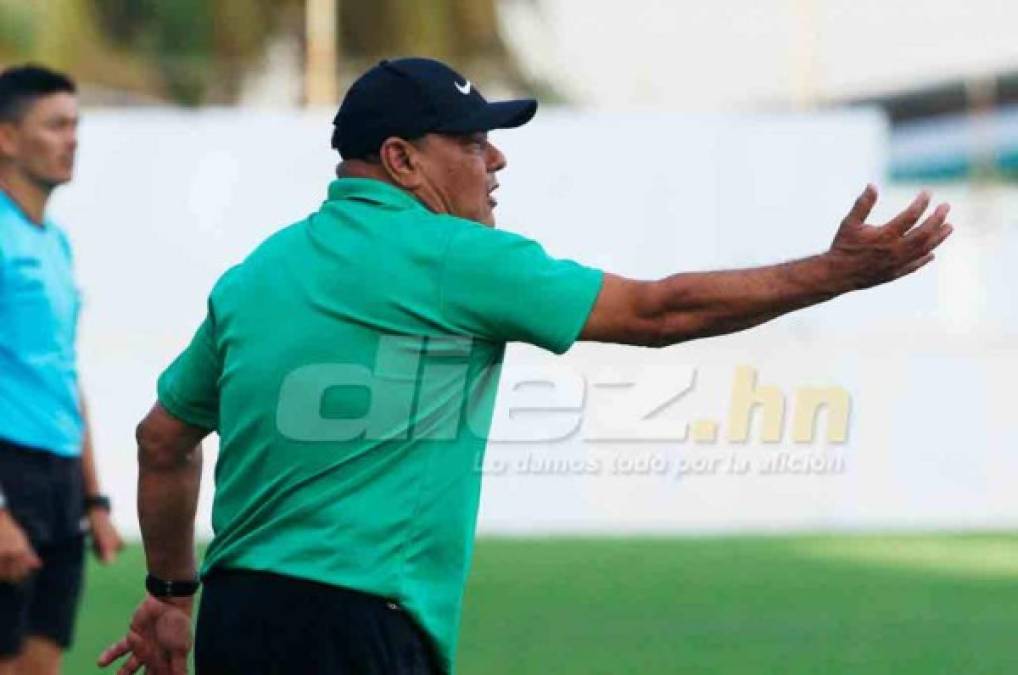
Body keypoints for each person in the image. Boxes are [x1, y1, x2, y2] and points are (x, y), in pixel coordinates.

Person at [98, 57, 952, 675]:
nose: (496, 161)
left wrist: (172, 596)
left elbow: (162, 438)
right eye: (472, 142)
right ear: (402, 160)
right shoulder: (450, 254)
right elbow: (660, 312)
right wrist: (832, 273)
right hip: (359, 625)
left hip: (242, 620)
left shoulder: (258, 272)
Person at [0, 65, 124, 674]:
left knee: (40, 666)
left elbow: (64, 372)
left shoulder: (55, 242)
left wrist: (93, 497)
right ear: (6, 137)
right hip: (9, 472)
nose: (72, 138)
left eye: (76, 124)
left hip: (59, 484)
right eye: (55, 125)